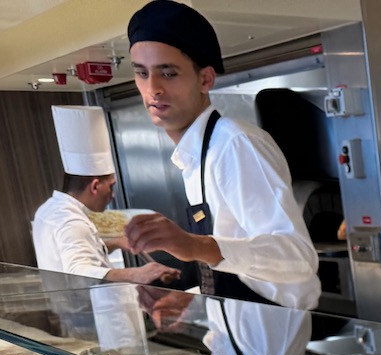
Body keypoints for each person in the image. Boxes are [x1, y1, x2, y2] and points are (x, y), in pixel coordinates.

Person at [121, 0, 319, 312]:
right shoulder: (199, 153)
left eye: (168, 73)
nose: (153, 88)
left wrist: (192, 245)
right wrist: (194, 303)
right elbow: (235, 264)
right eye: (142, 73)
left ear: (205, 79)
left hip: (273, 352)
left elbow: (297, 257)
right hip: (237, 348)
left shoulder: (235, 144)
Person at [31, 105, 178, 286]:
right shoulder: (71, 221)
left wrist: (115, 242)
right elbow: (79, 270)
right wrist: (135, 274)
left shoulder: (49, 209)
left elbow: (80, 253)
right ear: (95, 186)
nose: (113, 195)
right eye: (110, 186)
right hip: (87, 312)